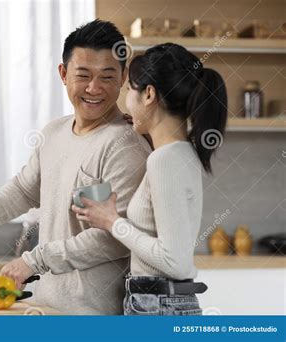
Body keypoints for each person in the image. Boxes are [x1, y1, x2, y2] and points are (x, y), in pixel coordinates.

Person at [0, 19, 152, 315]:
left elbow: (117, 237)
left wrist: (33, 260)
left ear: (123, 76)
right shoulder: (54, 133)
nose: (94, 88)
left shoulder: (125, 146)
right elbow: (23, 191)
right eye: (83, 75)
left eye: (106, 76)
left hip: (93, 313)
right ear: (63, 74)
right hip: (44, 305)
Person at [72, 43, 227, 315]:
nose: (126, 100)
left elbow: (174, 261)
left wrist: (112, 222)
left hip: (158, 307)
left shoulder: (164, 160)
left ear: (149, 94)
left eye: (131, 88)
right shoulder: (180, 153)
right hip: (163, 304)